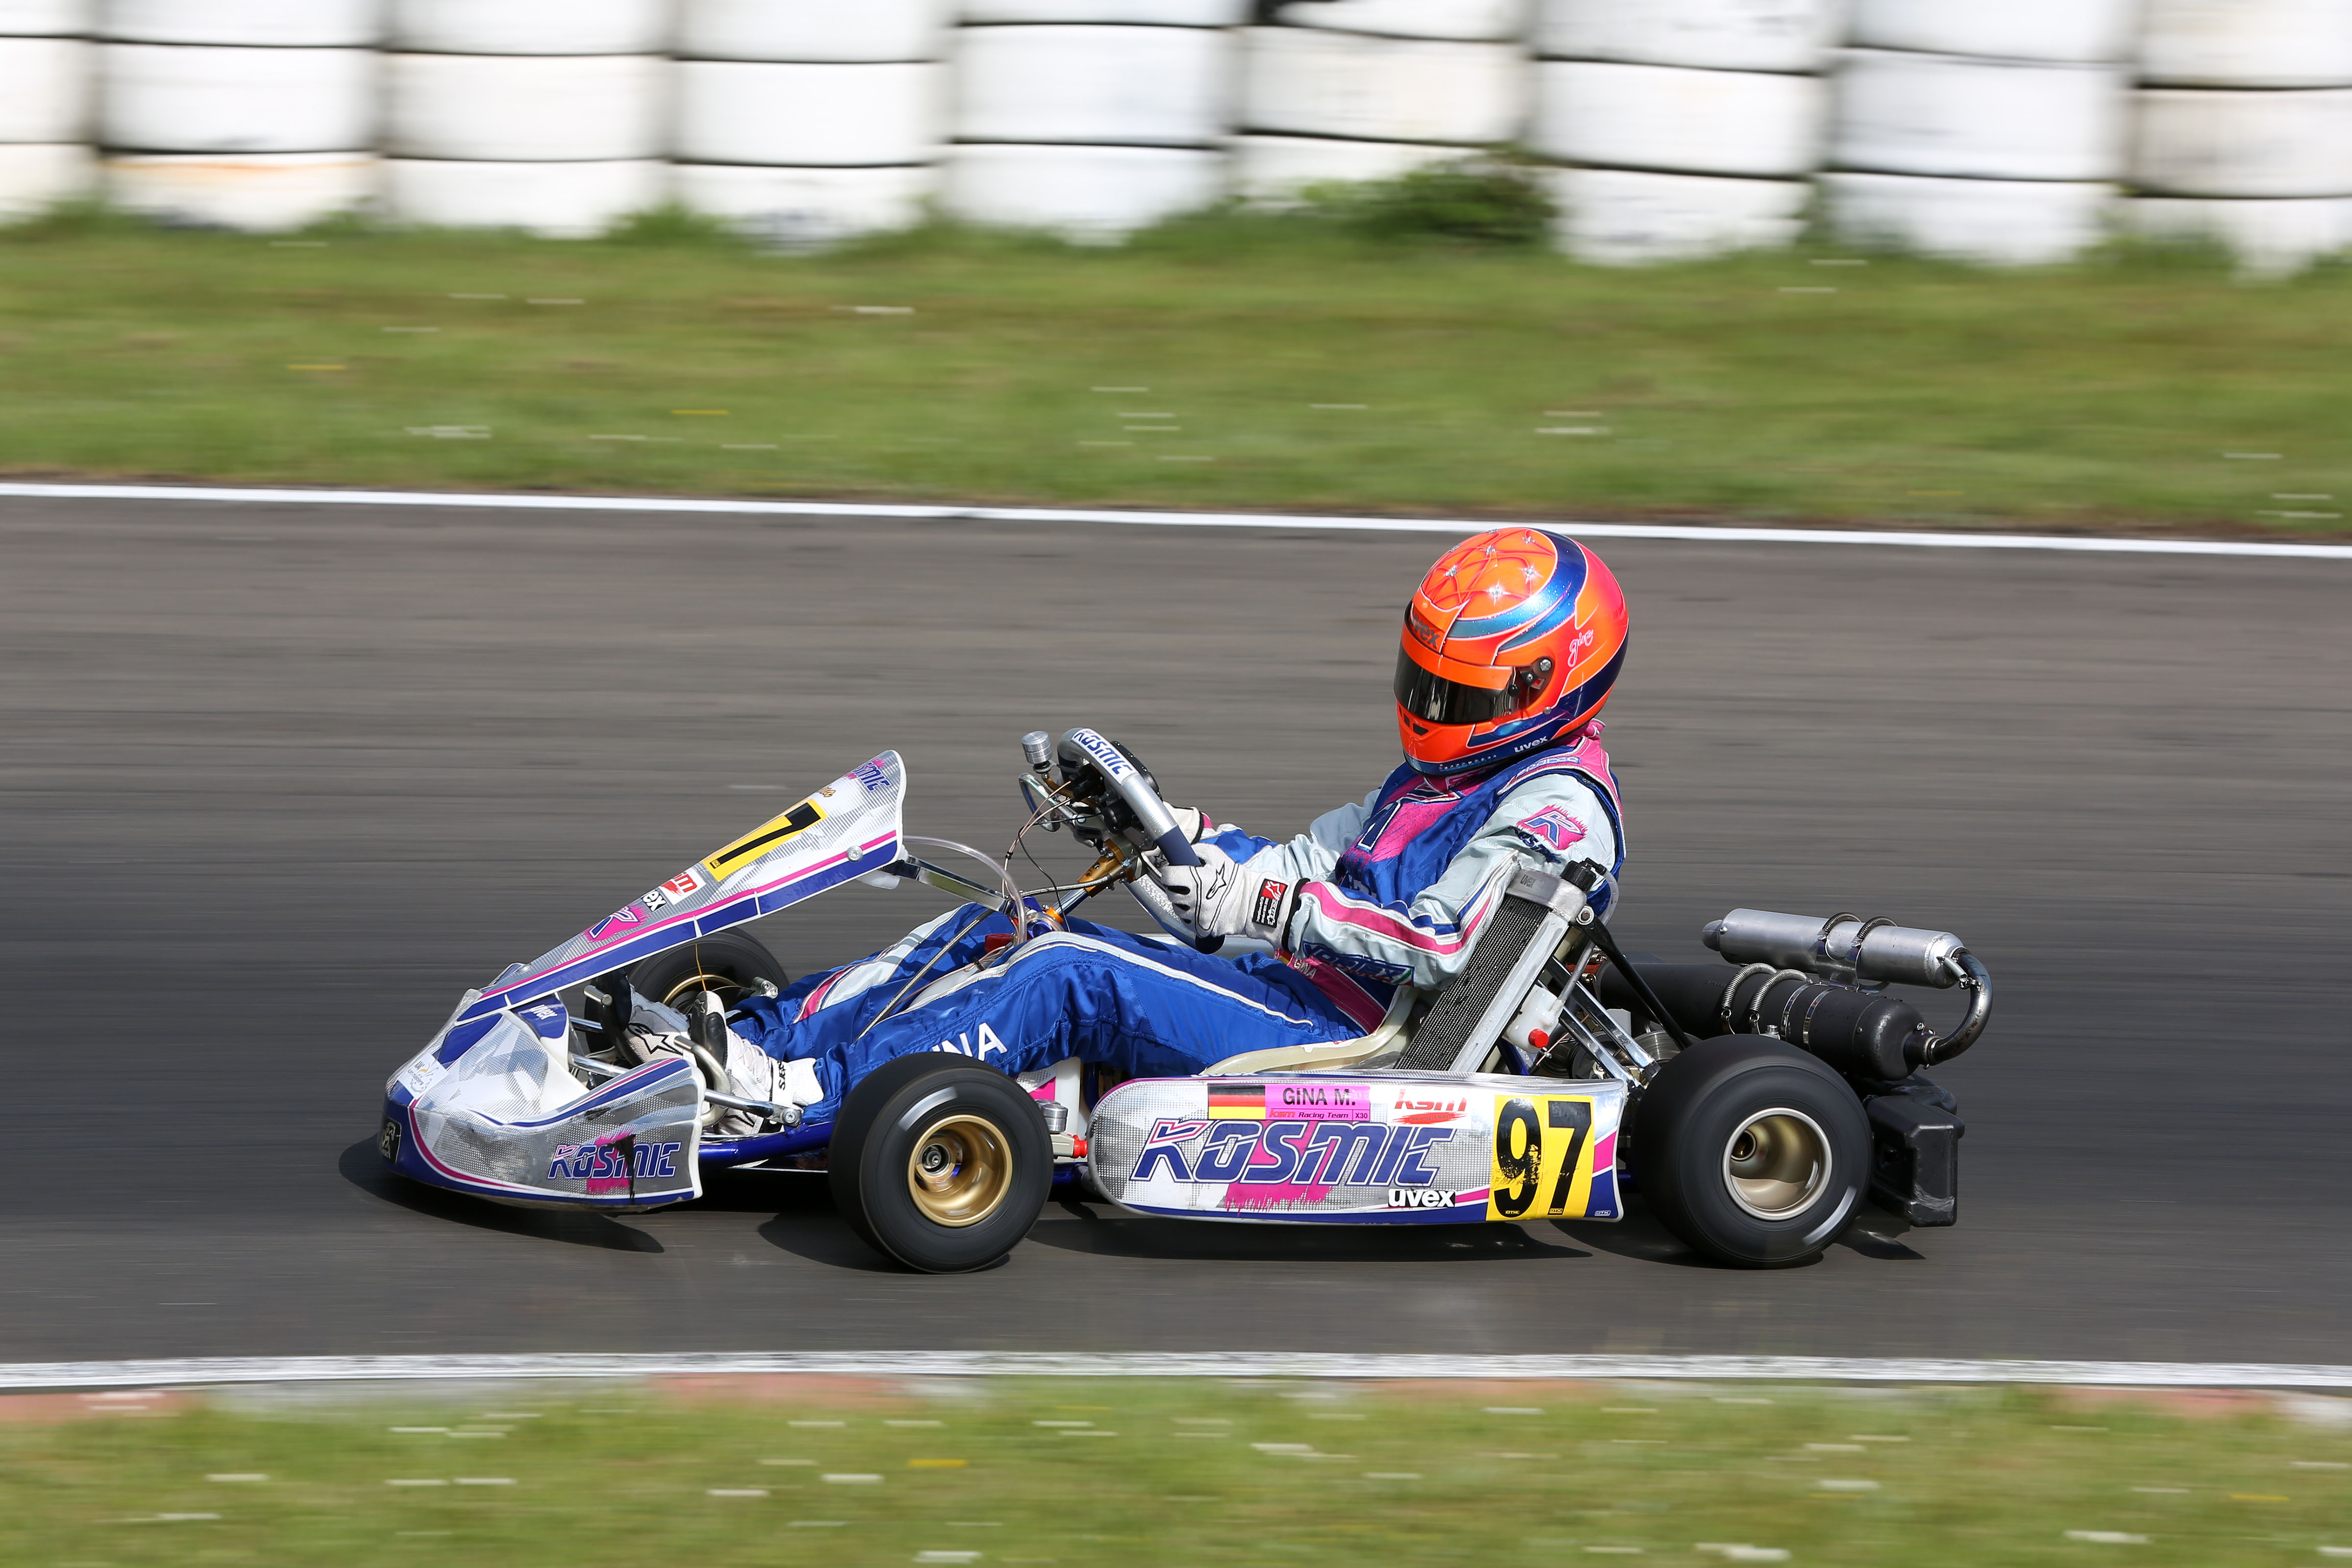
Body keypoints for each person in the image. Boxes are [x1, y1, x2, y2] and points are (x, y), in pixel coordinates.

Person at [721, 528, 1632, 1126]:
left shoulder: (1555, 810)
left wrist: (1265, 905)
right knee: (998, 927)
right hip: (1290, 989)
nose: (1431, 708)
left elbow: (1446, 945)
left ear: (1548, 682)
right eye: (1426, 682)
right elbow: (1301, 866)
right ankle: (746, 1041)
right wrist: (1171, 839)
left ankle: (808, 1097)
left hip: (1364, 1043)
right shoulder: (1438, 779)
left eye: (1460, 694)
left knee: (1068, 973)